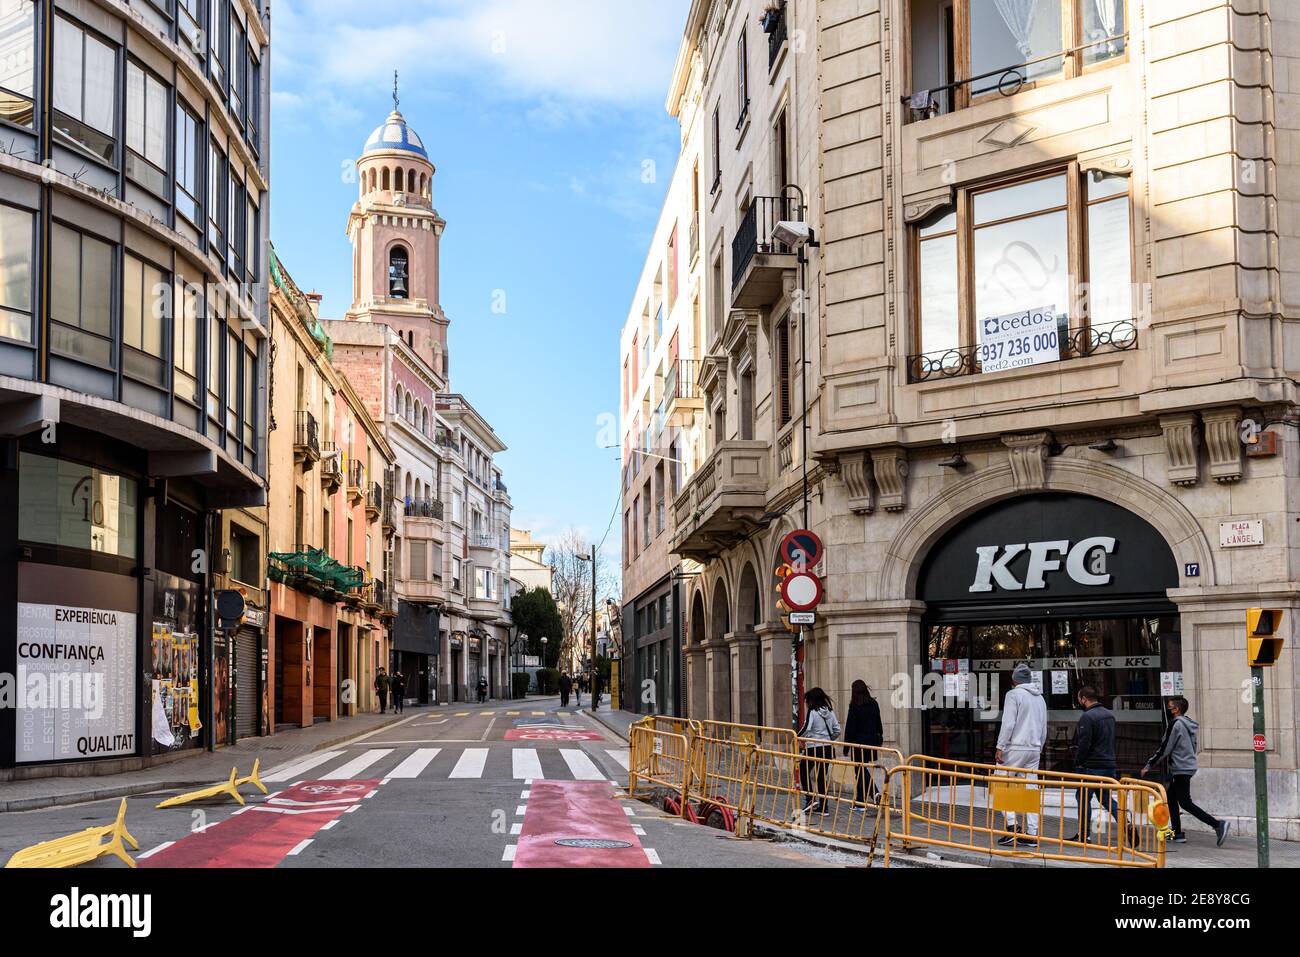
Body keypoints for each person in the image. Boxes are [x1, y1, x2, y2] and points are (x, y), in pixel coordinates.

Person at [1142, 696, 1230, 847]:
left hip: (1181, 768)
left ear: (1176, 709)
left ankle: (1217, 824)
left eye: (1170, 707)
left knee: (1185, 802)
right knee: (1171, 797)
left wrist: (1149, 764)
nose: (1168, 710)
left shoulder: (1175, 724)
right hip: (1187, 766)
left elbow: (1165, 747)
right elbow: (1193, 745)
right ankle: (1177, 833)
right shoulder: (1188, 724)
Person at [1067, 686, 1127, 844]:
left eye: (1079, 699)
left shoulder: (1087, 717)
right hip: (1109, 764)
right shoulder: (1109, 715)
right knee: (1106, 798)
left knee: (1083, 798)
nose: (1079, 702)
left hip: (1091, 765)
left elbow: (1084, 743)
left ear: (1084, 699)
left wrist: (1078, 762)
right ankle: (1126, 823)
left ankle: (1084, 834)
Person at [995, 663, 1047, 847]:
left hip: (1015, 747)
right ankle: (1032, 833)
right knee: (1030, 790)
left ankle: (1012, 827)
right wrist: (1039, 747)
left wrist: (1000, 746)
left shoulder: (1013, 695)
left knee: (1001, 783)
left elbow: (1008, 723)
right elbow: (1043, 726)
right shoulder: (1040, 698)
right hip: (1034, 748)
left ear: (1014, 680)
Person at [799, 687, 841, 814]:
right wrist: (828, 739)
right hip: (827, 747)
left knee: (803, 770)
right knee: (822, 776)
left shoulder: (813, 711)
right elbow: (837, 730)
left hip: (813, 747)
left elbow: (806, 728)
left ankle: (810, 799)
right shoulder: (829, 711)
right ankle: (824, 807)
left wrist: (796, 737)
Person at [843, 680, 883, 805]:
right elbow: (878, 722)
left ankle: (874, 792)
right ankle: (860, 801)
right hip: (871, 742)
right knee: (861, 770)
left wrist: (846, 746)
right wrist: (880, 737)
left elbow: (850, 727)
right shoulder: (873, 703)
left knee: (860, 769)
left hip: (858, 743)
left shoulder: (855, 706)